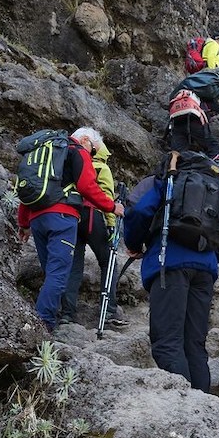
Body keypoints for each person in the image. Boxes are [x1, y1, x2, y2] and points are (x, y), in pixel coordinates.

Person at [123, 173, 219, 392]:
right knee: (194, 346)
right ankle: (203, 406)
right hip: (205, 270)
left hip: (169, 262)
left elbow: (138, 211)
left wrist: (134, 243)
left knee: (167, 343)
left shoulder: (165, 179)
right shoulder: (214, 187)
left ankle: (183, 405)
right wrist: (210, 255)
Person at [17, 127, 124, 332]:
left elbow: (28, 188)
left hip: (37, 217)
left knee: (52, 272)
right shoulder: (77, 150)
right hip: (63, 217)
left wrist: (24, 224)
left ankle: (56, 316)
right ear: (85, 139)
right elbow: (86, 186)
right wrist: (112, 207)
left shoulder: (45, 152)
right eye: (93, 150)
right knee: (59, 274)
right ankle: (43, 324)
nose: (92, 155)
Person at [60, 133, 129, 327]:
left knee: (74, 265)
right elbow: (105, 194)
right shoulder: (101, 167)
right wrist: (111, 223)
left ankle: (67, 313)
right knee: (108, 261)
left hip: (72, 215)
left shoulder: (68, 161)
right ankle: (109, 311)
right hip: (93, 215)